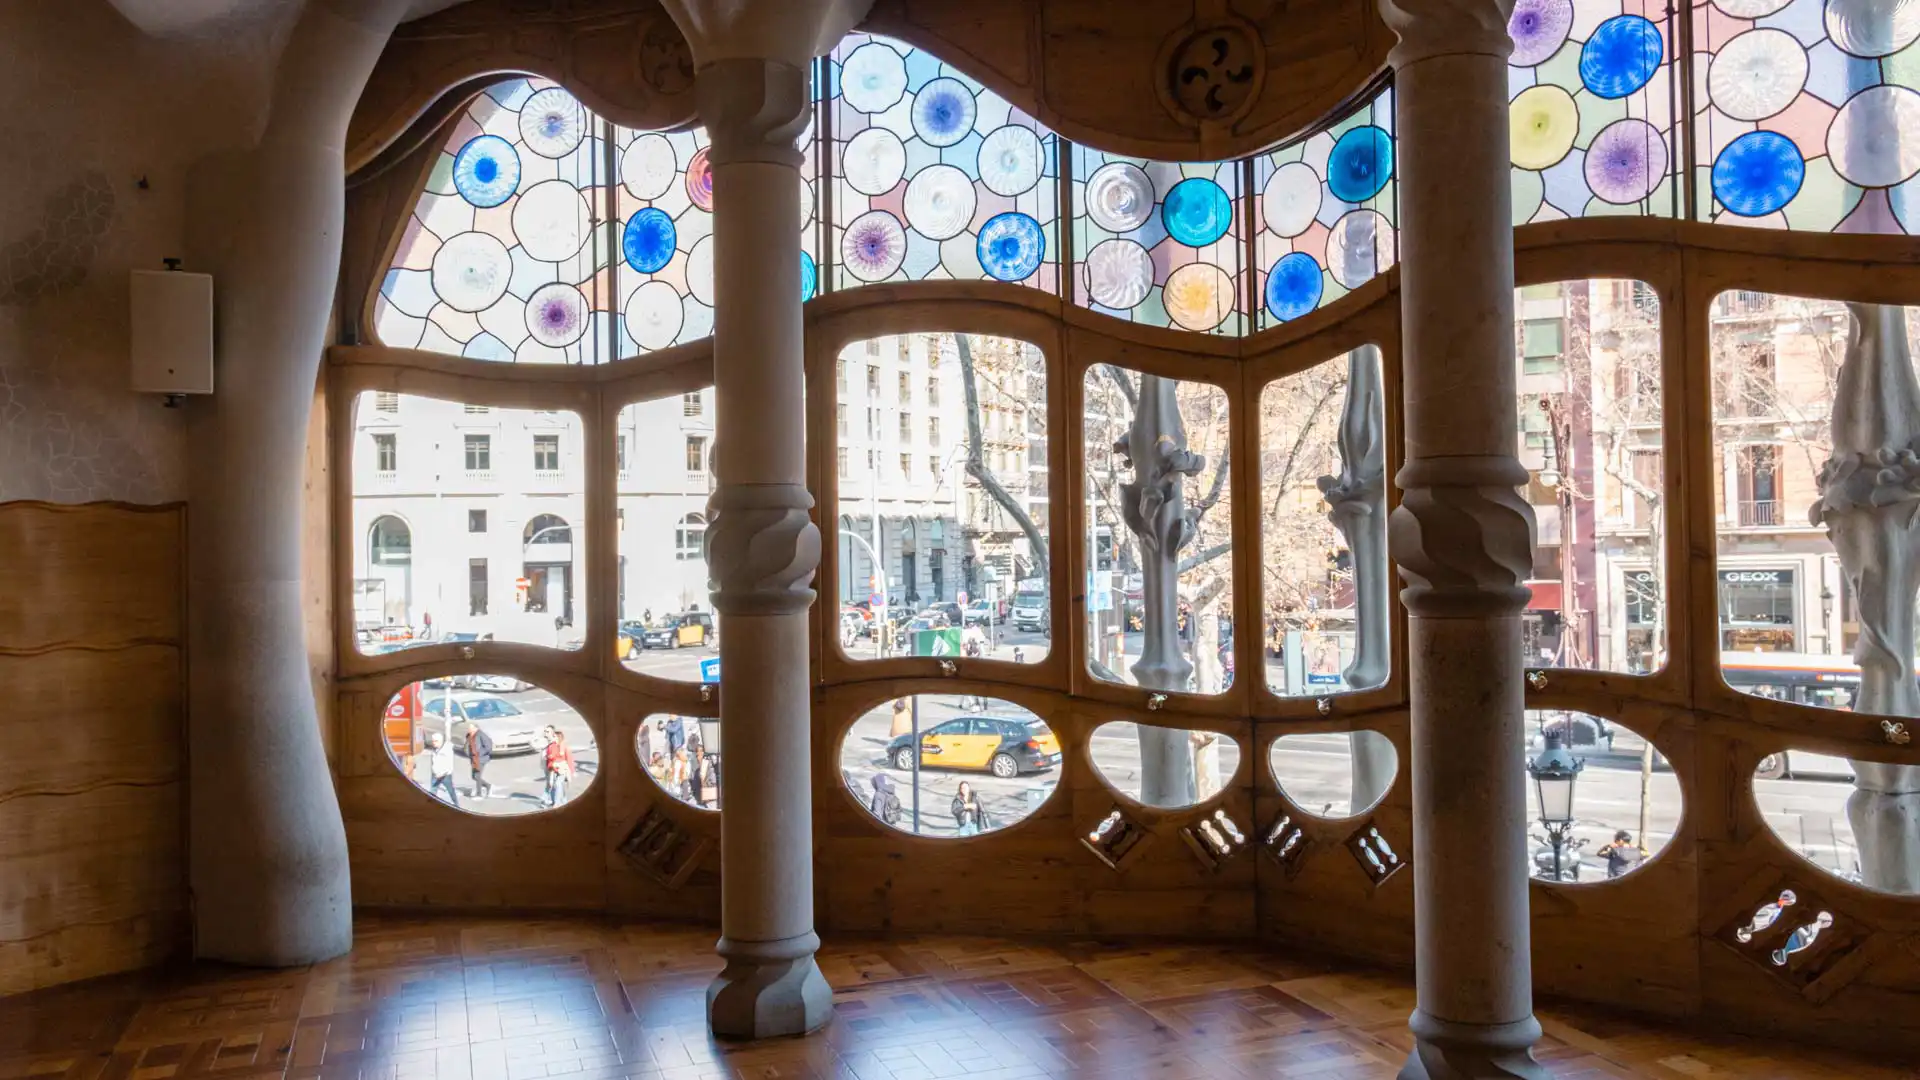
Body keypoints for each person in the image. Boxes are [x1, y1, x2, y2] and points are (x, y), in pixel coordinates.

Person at [422, 732, 458, 808]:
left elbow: (449, 764)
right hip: (435, 774)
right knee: (433, 790)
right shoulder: (434, 749)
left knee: (451, 790)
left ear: (440, 741)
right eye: (433, 741)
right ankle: (430, 806)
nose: (433, 743)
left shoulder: (447, 750)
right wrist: (434, 771)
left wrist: (444, 773)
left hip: (445, 776)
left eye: (435, 741)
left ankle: (457, 805)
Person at [542, 726, 575, 807]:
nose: (554, 738)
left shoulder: (564, 747)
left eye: (555, 737)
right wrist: (549, 765)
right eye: (553, 736)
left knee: (558, 783)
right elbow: (550, 759)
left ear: (559, 738)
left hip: (562, 769)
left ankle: (557, 803)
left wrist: (571, 771)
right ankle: (563, 801)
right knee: (553, 784)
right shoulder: (551, 746)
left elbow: (569, 759)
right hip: (553, 768)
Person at [465, 721, 494, 798]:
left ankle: (479, 794)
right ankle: (488, 786)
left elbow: (488, 746)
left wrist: (479, 753)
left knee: (477, 776)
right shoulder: (469, 735)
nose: (469, 729)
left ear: (476, 728)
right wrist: (467, 753)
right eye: (469, 728)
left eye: (471, 728)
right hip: (473, 759)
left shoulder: (481, 735)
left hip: (480, 759)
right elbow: (467, 746)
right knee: (474, 776)